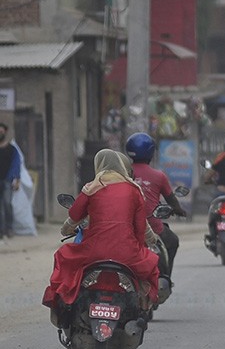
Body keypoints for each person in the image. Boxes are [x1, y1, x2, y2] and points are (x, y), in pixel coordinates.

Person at [42, 149, 160, 328]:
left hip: (94, 252)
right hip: (127, 254)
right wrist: (139, 249)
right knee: (150, 265)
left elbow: (74, 214)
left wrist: (66, 228)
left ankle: (63, 313)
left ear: (98, 165)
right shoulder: (134, 190)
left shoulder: (92, 187)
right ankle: (142, 309)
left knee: (63, 256)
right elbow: (140, 229)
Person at [125, 132, 187, 286]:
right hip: (153, 228)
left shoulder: (123, 173)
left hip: (126, 227)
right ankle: (165, 279)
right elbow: (171, 199)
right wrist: (179, 211)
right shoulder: (158, 176)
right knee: (172, 241)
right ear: (151, 152)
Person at [0, 123, 22, 240]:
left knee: (7, 204)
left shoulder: (11, 149)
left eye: (1, 132)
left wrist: (17, 179)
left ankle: (9, 228)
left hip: (7, 181)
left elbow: (16, 165)